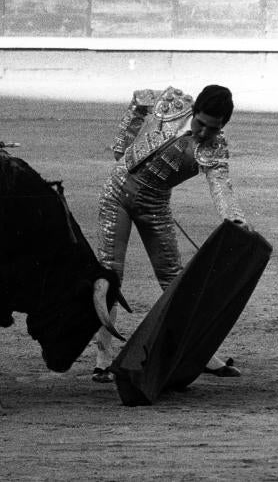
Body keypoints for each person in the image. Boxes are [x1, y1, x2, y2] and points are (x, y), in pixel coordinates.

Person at [92, 85, 249, 383]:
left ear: (223, 126)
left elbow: (220, 185)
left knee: (175, 278)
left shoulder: (216, 147)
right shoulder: (172, 101)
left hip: (154, 204)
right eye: (201, 123)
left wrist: (236, 220)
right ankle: (103, 358)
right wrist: (121, 143)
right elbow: (139, 98)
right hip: (116, 193)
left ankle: (204, 356)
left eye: (213, 129)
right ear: (194, 110)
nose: (203, 133)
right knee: (110, 272)